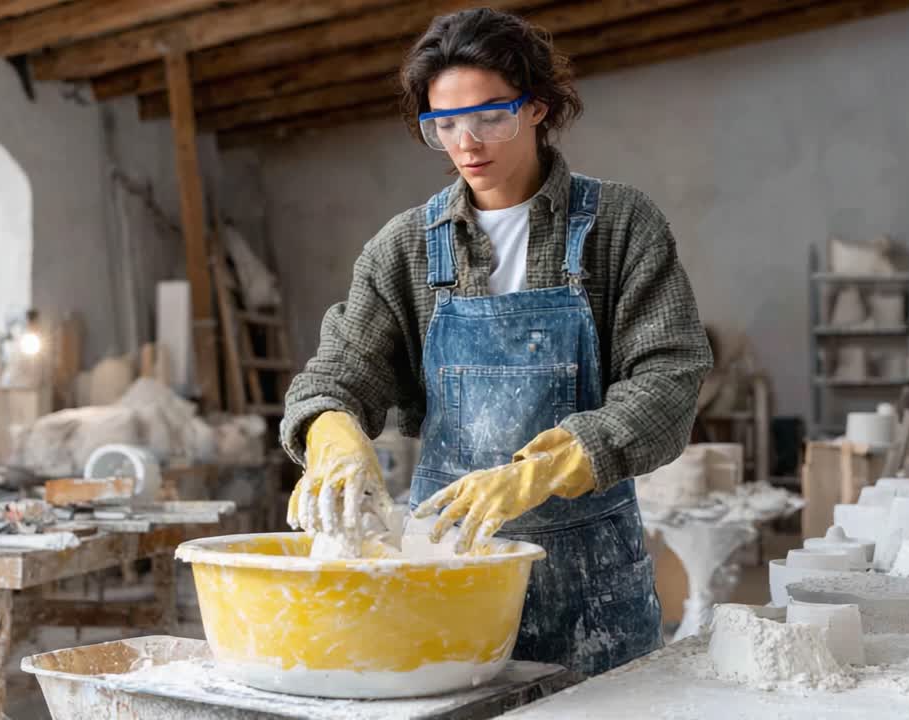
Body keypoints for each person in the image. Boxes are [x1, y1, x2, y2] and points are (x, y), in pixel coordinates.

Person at [281, 7, 712, 676]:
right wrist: (331, 433)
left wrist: (548, 467)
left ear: (538, 106)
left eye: (489, 117)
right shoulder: (406, 249)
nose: (466, 143)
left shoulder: (620, 226)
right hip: (448, 575)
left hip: (591, 587)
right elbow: (340, 370)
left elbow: (669, 379)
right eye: (442, 124)